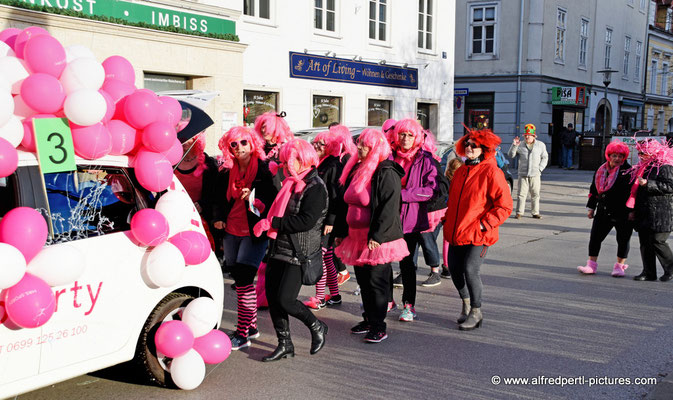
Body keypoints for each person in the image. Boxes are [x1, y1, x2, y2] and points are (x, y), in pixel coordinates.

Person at [253, 139, 329, 361]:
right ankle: (285, 344)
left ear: (303, 158)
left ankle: (317, 326)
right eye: (285, 160)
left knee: (286, 299)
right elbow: (282, 211)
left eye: (291, 160)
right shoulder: (290, 183)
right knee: (274, 299)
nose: (286, 164)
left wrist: (272, 223)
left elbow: (305, 221)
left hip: (299, 252)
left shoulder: (315, 187)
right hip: (278, 248)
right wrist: (262, 209)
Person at [333, 128, 409, 343]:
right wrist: (341, 232)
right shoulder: (356, 168)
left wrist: (378, 236)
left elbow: (389, 207)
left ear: (375, 148)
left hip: (376, 238)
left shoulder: (386, 171)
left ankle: (378, 325)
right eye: (359, 144)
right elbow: (344, 204)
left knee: (377, 282)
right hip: (356, 236)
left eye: (364, 145)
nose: (359, 147)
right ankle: (368, 319)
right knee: (364, 282)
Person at [212, 126, 278, 350]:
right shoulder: (226, 172)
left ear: (252, 144)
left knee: (243, 279)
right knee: (241, 281)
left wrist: (254, 196)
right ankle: (251, 327)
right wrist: (218, 217)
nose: (239, 148)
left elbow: (274, 202)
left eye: (243, 143)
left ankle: (242, 334)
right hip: (231, 231)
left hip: (253, 232)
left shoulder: (263, 170)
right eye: (234, 144)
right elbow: (218, 200)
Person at [443, 128, 513, 330]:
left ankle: (476, 310)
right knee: (454, 270)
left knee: (470, 269)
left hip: (479, 234)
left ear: (484, 148)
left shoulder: (492, 171)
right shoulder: (461, 171)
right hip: (457, 231)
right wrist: (447, 219)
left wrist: (484, 224)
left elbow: (505, 206)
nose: (469, 147)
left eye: (474, 145)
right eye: (467, 143)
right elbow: (454, 202)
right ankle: (465, 304)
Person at [389, 119, 438, 322]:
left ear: (417, 137)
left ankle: (409, 305)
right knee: (382, 262)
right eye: (402, 134)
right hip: (388, 218)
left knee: (407, 264)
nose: (405, 138)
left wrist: (404, 195)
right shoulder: (389, 156)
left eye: (410, 135)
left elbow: (431, 191)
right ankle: (387, 300)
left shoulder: (426, 160)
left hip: (411, 220)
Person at [303, 128, 356, 310]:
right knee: (327, 257)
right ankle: (334, 295)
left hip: (327, 220)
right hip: (323, 217)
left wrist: (330, 221)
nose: (316, 145)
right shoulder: (323, 162)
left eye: (321, 143)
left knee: (321, 255)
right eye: (315, 142)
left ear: (331, 146)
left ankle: (320, 298)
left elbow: (335, 196)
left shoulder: (333, 165)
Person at [252, 111, 294, 308]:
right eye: (261, 127)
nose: (263, 131)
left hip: (280, 208)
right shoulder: (259, 150)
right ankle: (263, 295)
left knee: (274, 254)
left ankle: (270, 296)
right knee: (265, 255)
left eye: (266, 127)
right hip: (261, 206)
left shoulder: (284, 150)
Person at [577, 141, 633, 277]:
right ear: (609, 156)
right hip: (603, 210)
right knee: (595, 238)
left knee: (623, 239)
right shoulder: (601, 169)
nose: (617, 159)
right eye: (614, 156)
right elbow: (593, 189)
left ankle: (619, 266)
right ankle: (591, 265)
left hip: (622, 212)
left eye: (620, 156)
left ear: (624, 157)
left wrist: (632, 211)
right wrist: (591, 207)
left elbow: (633, 193)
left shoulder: (628, 171)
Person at [628, 139, 673, 282]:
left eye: (644, 152)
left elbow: (670, 186)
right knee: (645, 242)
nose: (641, 155)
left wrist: (649, 184)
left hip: (661, 211)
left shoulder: (664, 166)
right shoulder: (643, 166)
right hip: (644, 211)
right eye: (639, 152)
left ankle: (670, 269)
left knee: (658, 240)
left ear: (652, 151)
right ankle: (648, 272)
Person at [414, 130, 450, 287]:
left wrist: (427, 200)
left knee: (427, 240)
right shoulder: (411, 161)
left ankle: (435, 271)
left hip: (432, 210)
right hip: (417, 209)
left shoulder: (430, 161)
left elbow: (442, 186)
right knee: (413, 241)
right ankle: (408, 270)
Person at [174, 133, 220, 253]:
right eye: (181, 140)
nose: (185, 143)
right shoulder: (172, 162)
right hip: (178, 214)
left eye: (189, 139)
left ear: (197, 141)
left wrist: (202, 204)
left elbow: (216, 192)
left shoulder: (208, 163)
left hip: (203, 217)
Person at [507, 123, 548, 219]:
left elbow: (545, 157)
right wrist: (514, 145)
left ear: (533, 136)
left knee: (535, 194)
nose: (526, 137)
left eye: (528, 136)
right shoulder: (520, 145)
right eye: (525, 136)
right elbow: (511, 155)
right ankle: (519, 212)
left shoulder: (540, 145)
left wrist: (540, 169)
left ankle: (535, 212)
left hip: (535, 174)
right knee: (521, 194)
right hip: (523, 173)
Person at [441, 158, 464, 276]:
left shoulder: (446, 180)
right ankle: (457, 265)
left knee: (446, 240)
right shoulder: (461, 181)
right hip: (456, 212)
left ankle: (446, 265)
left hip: (445, 211)